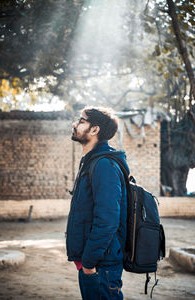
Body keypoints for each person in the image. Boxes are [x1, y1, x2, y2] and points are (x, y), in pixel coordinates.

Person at [66, 106, 130, 300]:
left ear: (95, 130)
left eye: (81, 121)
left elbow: (108, 219)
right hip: (95, 264)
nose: (75, 125)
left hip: (100, 266)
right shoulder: (93, 162)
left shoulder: (104, 165)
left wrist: (89, 263)